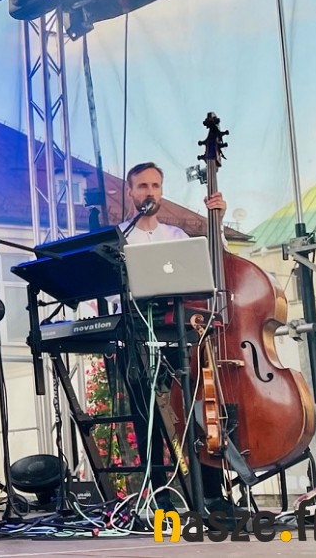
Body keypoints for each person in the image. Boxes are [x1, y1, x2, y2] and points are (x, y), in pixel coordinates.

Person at [117, 161, 232, 513]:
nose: (149, 192)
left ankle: (211, 493)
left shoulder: (176, 236)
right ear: (130, 192)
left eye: (155, 186)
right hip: (137, 336)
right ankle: (159, 497)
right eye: (142, 186)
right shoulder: (119, 237)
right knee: (147, 417)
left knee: (197, 410)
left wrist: (217, 223)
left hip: (178, 337)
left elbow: (210, 269)